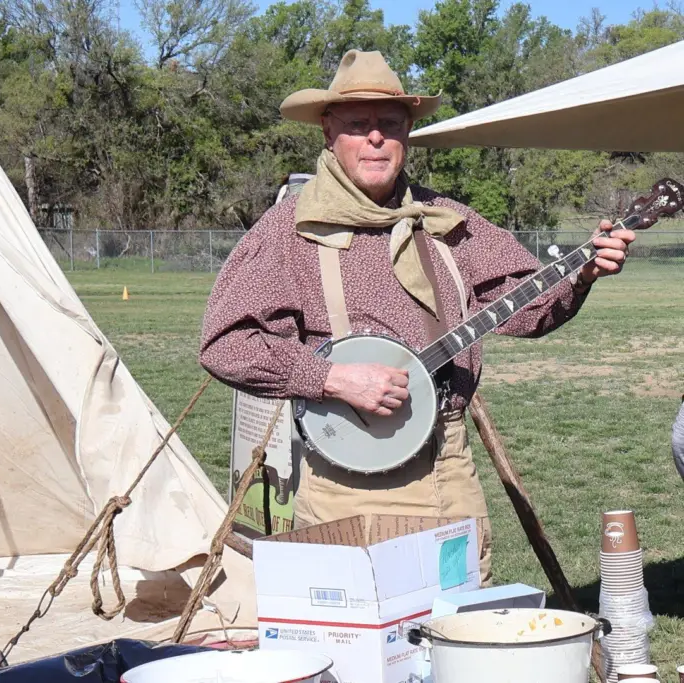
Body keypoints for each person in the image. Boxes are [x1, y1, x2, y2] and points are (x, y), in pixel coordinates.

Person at [198, 50, 634, 583]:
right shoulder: (291, 229)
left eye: (390, 123)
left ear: (407, 132)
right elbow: (226, 344)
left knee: (457, 618)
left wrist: (582, 273)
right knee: (361, 623)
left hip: (450, 467)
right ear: (328, 132)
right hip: (347, 483)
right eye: (357, 125)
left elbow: (527, 310)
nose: (375, 138)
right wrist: (332, 378)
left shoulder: (446, 220)